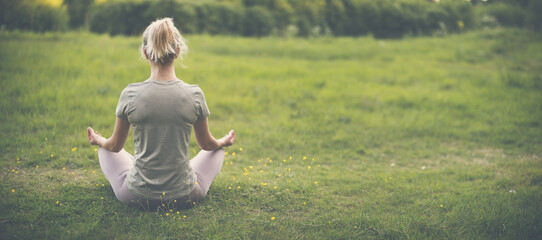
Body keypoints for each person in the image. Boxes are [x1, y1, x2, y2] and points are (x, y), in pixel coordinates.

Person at [86, 18, 235, 209]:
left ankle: (141, 170)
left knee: (103, 148)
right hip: (185, 195)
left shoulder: (130, 94)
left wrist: (98, 140)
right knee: (217, 150)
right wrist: (224, 141)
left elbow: (114, 146)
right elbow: (207, 144)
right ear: (178, 51)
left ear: (145, 53)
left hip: (136, 195)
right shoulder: (194, 94)